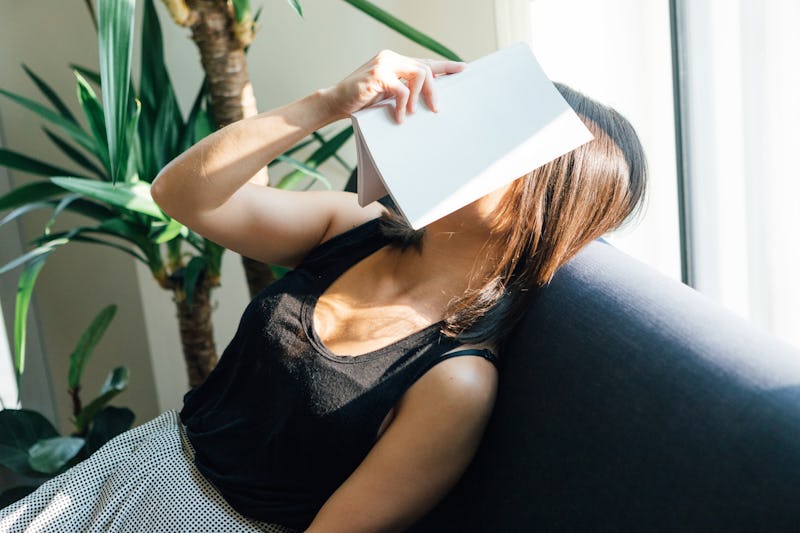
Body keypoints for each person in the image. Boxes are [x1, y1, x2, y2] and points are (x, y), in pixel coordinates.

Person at [0, 49, 646, 532]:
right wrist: (327, 104)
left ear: (541, 205)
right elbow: (182, 196)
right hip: (136, 462)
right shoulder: (356, 226)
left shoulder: (455, 381)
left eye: (498, 134)